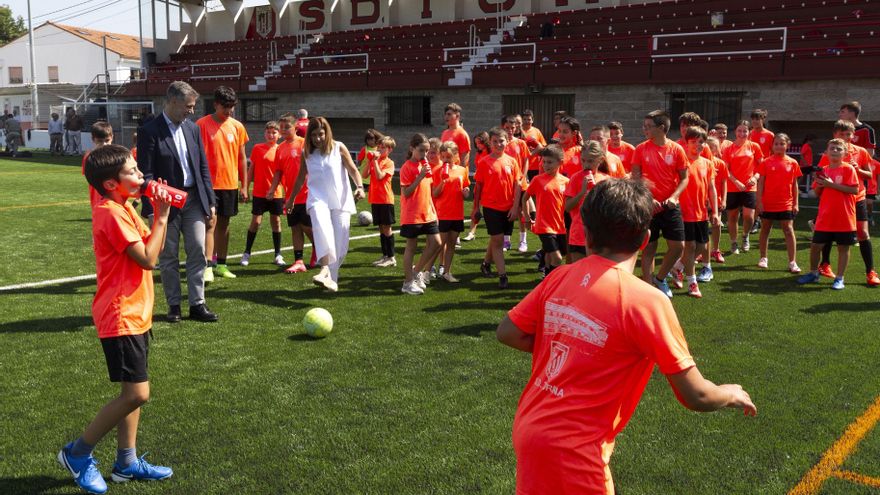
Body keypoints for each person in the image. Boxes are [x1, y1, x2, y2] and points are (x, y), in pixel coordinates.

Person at [497, 178, 757, 495]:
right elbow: (697, 396)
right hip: (575, 451)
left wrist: (571, 346)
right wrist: (730, 393)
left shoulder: (560, 276)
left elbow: (508, 331)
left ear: (587, 235)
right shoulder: (645, 301)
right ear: (645, 239)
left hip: (531, 426)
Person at [60, 144, 174, 495]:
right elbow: (148, 258)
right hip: (121, 314)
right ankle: (77, 453)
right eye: (132, 171)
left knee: (131, 391)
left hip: (136, 312)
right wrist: (162, 216)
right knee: (137, 394)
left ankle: (126, 463)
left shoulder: (124, 207)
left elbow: (151, 247)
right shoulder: (110, 212)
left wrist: (159, 213)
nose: (141, 175)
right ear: (111, 184)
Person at [137, 80, 218, 323]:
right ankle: (174, 305)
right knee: (169, 255)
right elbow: (145, 175)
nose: (191, 111)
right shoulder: (150, 131)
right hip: (165, 204)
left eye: (193, 107)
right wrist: (152, 209)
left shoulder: (193, 129)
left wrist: (210, 200)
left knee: (198, 250)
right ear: (173, 102)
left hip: (193, 200)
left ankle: (197, 304)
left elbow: (202, 166)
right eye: (188, 106)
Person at [287, 117, 365, 292]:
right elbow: (300, 178)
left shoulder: (339, 147)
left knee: (340, 245)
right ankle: (323, 269)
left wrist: (360, 187)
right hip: (317, 198)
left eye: (320, 134)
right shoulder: (306, 153)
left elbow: (353, 169)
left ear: (327, 133)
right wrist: (291, 199)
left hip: (340, 201)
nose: (317, 138)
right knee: (321, 227)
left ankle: (331, 279)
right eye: (313, 135)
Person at [631, 109, 689, 297]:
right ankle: (648, 287)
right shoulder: (641, 149)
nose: (644, 129)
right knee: (649, 247)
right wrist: (648, 198)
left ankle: (660, 278)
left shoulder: (677, 149)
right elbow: (635, 177)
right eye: (644, 126)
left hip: (670, 206)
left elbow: (684, 178)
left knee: (678, 246)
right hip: (647, 205)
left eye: (649, 126)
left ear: (662, 128)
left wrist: (674, 197)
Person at [815, 120, 879, 286]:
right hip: (834, 199)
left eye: (848, 134)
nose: (845, 137)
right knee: (829, 231)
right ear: (835, 134)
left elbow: (870, 175)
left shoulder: (861, 151)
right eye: (841, 134)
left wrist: (858, 169)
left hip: (857, 198)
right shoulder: (830, 152)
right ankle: (825, 264)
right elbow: (821, 175)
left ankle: (870, 272)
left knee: (863, 232)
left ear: (853, 135)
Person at [196, 86, 249, 281]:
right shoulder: (201, 125)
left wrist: (244, 185)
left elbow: (242, 158)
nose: (229, 110)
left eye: (231, 106)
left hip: (229, 185)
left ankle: (221, 265)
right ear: (215, 104)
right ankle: (207, 266)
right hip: (208, 185)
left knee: (224, 225)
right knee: (210, 223)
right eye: (225, 106)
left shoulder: (237, 127)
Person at [798, 139, 859, 289]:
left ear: (845, 153)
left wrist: (830, 184)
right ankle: (814, 273)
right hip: (825, 216)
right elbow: (816, 193)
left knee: (843, 248)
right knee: (815, 246)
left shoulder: (848, 169)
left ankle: (839, 278)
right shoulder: (823, 170)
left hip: (844, 216)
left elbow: (854, 190)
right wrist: (820, 185)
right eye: (832, 148)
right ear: (827, 152)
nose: (835, 151)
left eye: (839, 149)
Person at [472, 127, 523, 289]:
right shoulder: (484, 162)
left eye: (501, 141)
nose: (498, 144)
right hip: (490, 207)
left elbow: (517, 185)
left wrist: (515, 207)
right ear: (490, 142)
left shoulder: (512, 161)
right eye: (495, 141)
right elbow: (478, 187)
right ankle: (503, 275)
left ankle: (486, 264)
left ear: (507, 142)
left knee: (496, 239)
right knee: (499, 240)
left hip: (508, 207)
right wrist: (475, 208)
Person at [676, 127, 718, 298]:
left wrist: (715, 212)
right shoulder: (682, 163)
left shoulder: (708, 163)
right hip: (684, 212)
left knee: (701, 247)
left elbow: (712, 188)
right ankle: (692, 283)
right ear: (686, 143)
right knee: (691, 247)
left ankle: (677, 267)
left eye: (701, 141)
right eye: (693, 141)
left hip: (701, 212)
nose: (697, 145)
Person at [268, 116, 313, 273]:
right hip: (290, 196)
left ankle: (320, 250)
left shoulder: (304, 143)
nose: (283, 130)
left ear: (295, 128)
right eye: (281, 127)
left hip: (307, 193)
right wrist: (272, 189)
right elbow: (278, 171)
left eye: (287, 127)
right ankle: (299, 261)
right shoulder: (280, 148)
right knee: (295, 227)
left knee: (307, 226)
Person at [398, 134, 441, 294]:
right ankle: (407, 283)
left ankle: (416, 272)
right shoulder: (406, 167)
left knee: (436, 243)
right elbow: (406, 192)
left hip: (428, 213)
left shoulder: (425, 166)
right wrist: (420, 176)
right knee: (411, 247)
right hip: (412, 214)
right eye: (421, 150)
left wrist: (434, 212)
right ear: (412, 148)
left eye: (427, 151)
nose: (425, 154)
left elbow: (428, 192)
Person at [755, 133, 802, 273]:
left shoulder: (793, 163)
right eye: (776, 143)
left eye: (782, 143)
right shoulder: (766, 162)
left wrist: (796, 203)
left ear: (787, 145)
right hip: (768, 203)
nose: (779, 146)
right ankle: (763, 258)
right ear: (772, 145)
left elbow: (795, 185)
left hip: (786, 203)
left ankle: (792, 262)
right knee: (765, 229)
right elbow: (760, 184)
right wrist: (759, 202)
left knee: (788, 230)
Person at [241, 121, 284, 267]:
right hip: (259, 192)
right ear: (264, 133)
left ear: (279, 135)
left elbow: (282, 173)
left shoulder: (281, 149)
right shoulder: (257, 148)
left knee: (276, 221)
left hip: (276, 193)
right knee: (256, 222)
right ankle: (247, 253)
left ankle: (278, 254)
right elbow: (251, 170)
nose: (271, 135)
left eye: (274, 132)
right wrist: (245, 187)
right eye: (268, 132)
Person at [525, 145, 568, 276]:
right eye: (544, 162)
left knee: (554, 254)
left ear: (560, 162)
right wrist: (527, 217)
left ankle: (547, 277)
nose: (545, 165)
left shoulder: (566, 181)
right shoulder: (538, 180)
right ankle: (553, 280)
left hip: (560, 226)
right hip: (544, 226)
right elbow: (525, 198)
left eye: (549, 162)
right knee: (557, 258)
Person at [723, 120, 764, 255]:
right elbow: (726, 170)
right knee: (732, 217)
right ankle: (734, 242)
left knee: (749, 216)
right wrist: (736, 182)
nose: (742, 133)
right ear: (735, 132)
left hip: (749, 187)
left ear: (749, 132)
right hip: (732, 187)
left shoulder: (754, 146)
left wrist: (755, 177)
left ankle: (745, 236)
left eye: (745, 131)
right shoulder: (728, 149)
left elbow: (762, 166)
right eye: (739, 130)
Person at [431, 140, 470, 282]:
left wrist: (466, 192)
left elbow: (465, 188)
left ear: (455, 155)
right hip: (442, 213)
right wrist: (443, 181)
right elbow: (435, 194)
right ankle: (427, 270)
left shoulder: (462, 170)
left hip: (457, 213)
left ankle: (447, 272)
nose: (445, 159)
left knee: (452, 244)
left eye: (448, 156)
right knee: (438, 245)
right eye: (443, 157)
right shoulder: (437, 171)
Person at [564, 141, 609, 263]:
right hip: (578, 235)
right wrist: (582, 192)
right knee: (579, 271)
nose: (586, 165)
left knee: (596, 272)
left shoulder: (606, 180)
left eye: (590, 161)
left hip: (599, 235)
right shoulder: (575, 178)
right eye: (583, 160)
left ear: (600, 160)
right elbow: (567, 207)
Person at [364, 136, 397, 267]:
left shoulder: (389, 163)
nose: (380, 149)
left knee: (387, 228)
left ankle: (391, 257)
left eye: (383, 147)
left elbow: (379, 176)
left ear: (390, 150)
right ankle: (385, 255)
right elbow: (364, 175)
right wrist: (370, 161)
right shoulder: (375, 161)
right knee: (381, 229)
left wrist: (375, 162)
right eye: (379, 147)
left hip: (385, 200)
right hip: (375, 199)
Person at [462, 131, 490, 242]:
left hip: (490, 185)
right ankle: (471, 232)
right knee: (475, 208)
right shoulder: (479, 154)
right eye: (476, 143)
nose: (478, 145)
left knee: (491, 210)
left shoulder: (491, 153)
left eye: (480, 142)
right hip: (480, 184)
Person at [706, 136, 729, 265]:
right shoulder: (700, 162)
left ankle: (715, 249)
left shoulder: (720, 163)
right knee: (703, 227)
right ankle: (702, 251)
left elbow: (724, 183)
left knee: (717, 224)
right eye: (708, 146)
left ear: (717, 149)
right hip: (702, 202)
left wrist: (724, 200)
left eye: (712, 147)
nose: (710, 149)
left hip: (716, 201)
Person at [84, 122, 114, 207]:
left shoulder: (117, 156)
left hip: (115, 198)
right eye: (100, 141)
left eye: (107, 140)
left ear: (112, 137)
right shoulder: (89, 157)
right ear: (93, 139)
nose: (104, 144)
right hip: (98, 199)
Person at [441, 103, 471, 170]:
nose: (446, 117)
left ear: (457, 116)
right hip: (445, 171)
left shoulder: (462, 134)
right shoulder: (444, 133)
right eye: (445, 114)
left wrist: (459, 173)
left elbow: (464, 159)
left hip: (456, 172)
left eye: (449, 114)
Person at [521, 109, 547, 181]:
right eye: (524, 119)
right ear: (522, 120)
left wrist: (532, 152)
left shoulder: (537, 131)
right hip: (521, 165)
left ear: (532, 120)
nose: (527, 121)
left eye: (529, 119)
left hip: (535, 166)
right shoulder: (519, 132)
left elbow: (543, 146)